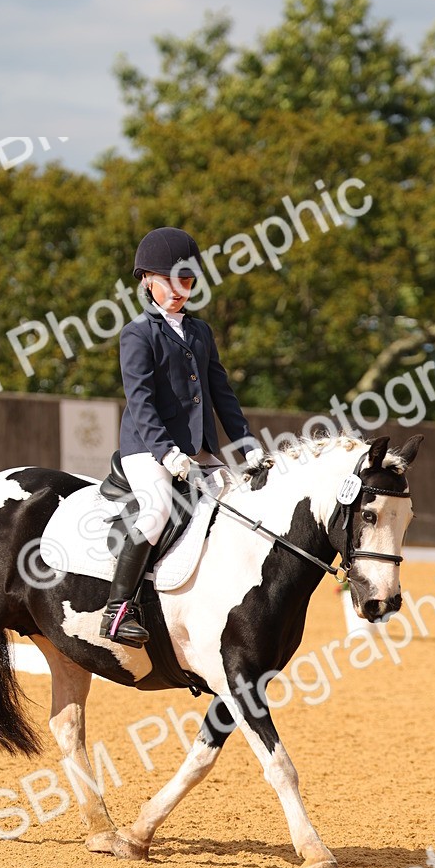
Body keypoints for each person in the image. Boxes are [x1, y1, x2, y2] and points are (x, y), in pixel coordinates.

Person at [100, 226, 265, 647]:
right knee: (155, 511)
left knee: (240, 508)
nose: (180, 290)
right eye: (171, 281)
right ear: (147, 281)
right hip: (149, 449)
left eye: (187, 281)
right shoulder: (137, 333)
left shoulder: (200, 331)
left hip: (200, 450)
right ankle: (118, 609)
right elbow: (140, 400)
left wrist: (246, 445)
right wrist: (165, 451)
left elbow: (221, 393)